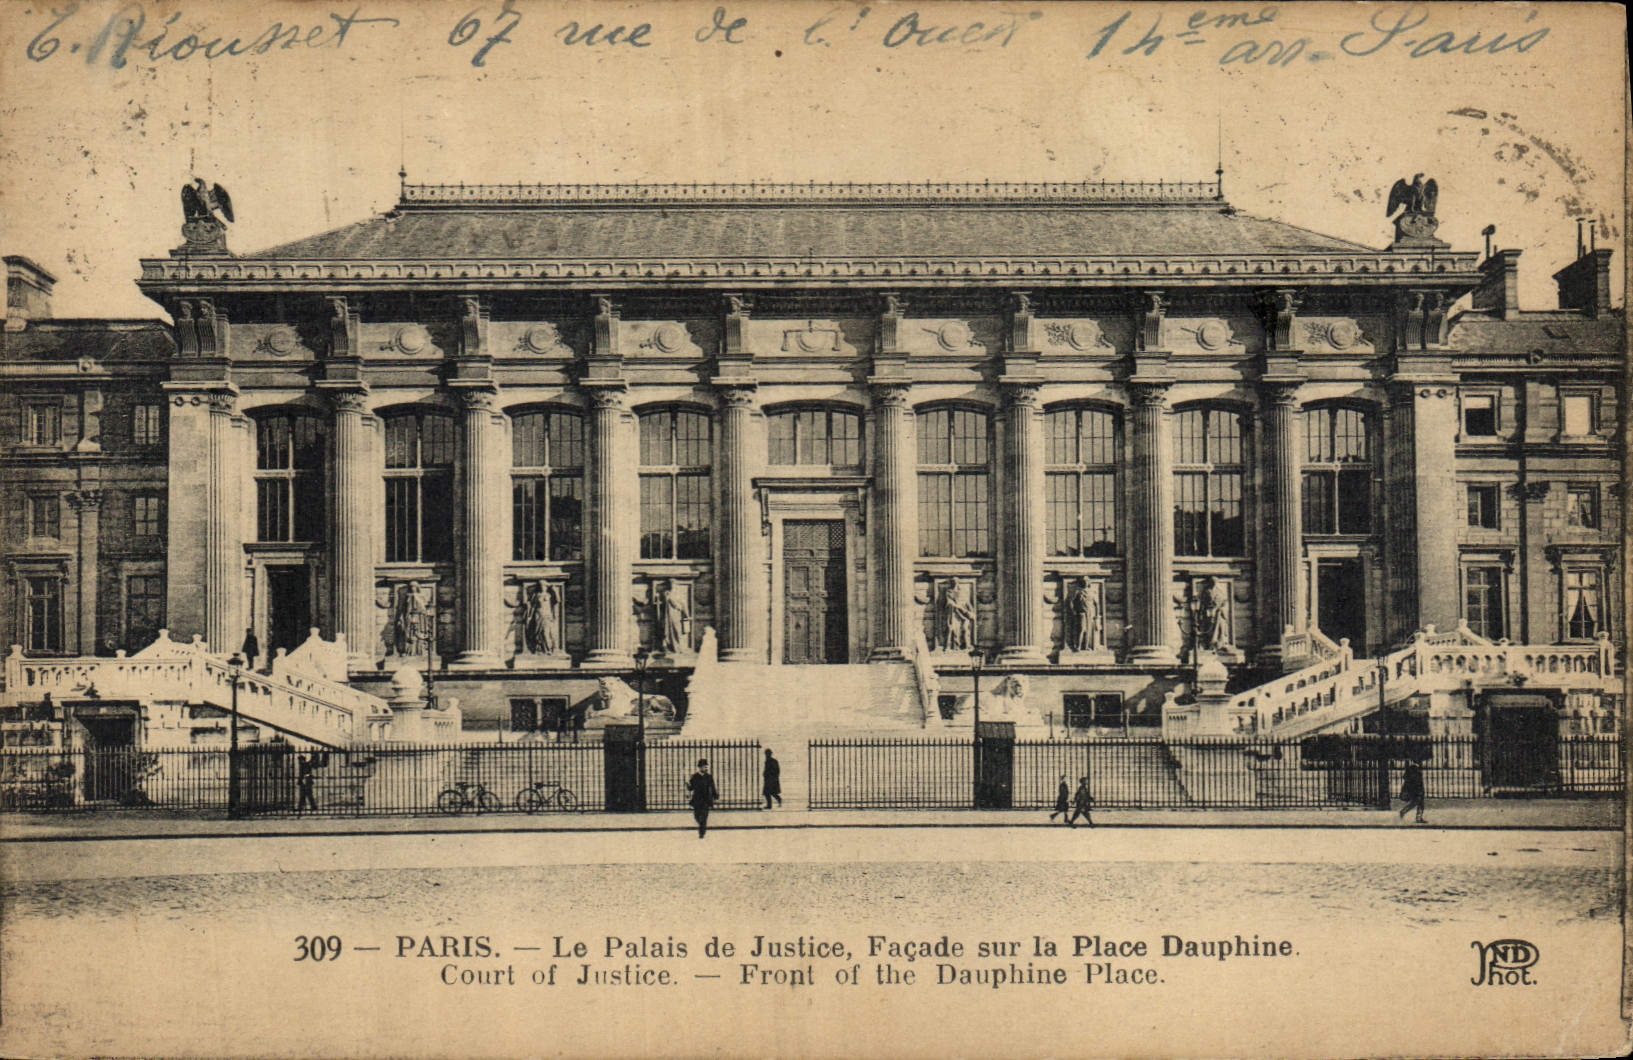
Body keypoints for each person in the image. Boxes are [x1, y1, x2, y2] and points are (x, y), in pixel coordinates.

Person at [686, 758, 719, 838]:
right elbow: (691, 788)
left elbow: (712, 787)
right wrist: (687, 784)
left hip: (706, 800)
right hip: (697, 800)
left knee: (704, 816)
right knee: (696, 815)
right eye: (704, 767)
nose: (706, 768)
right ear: (700, 767)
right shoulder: (695, 776)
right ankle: (701, 825)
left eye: (706, 766)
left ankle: (702, 833)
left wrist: (715, 796)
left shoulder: (709, 777)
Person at [1399, 759, 1426, 823]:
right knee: (1417, 803)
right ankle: (1404, 812)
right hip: (1415, 790)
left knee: (1419, 803)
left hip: (1414, 790)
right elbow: (1416, 781)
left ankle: (1418, 817)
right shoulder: (1414, 769)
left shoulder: (1412, 769)